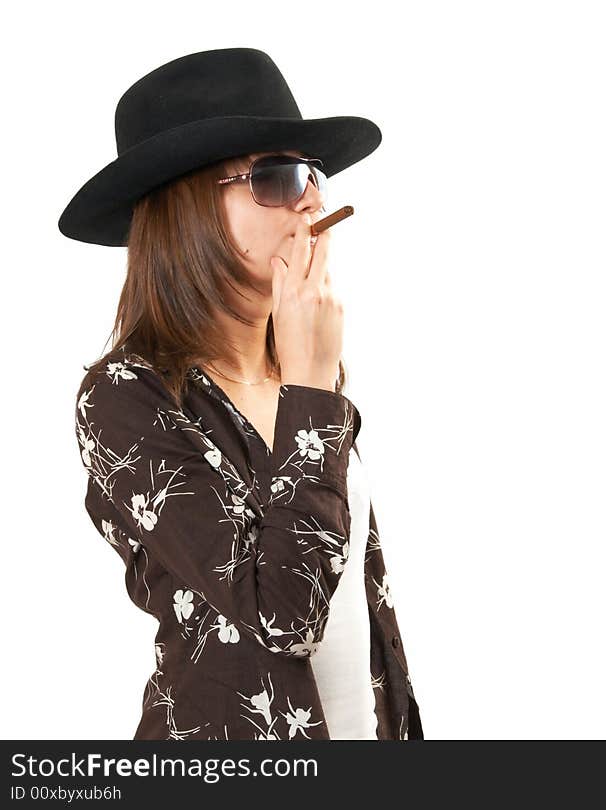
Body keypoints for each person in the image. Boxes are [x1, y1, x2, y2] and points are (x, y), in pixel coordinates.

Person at [60, 48, 423, 740]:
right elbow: (286, 617)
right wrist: (314, 388)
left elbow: (358, 607)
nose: (314, 196)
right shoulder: (122, 401)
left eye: (311, 173)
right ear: (189, 210)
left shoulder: (302, 373)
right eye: (278, 177)